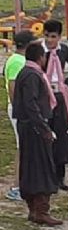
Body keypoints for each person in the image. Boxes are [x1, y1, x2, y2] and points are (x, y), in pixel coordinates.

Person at [13, 44, 61, 226]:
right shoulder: (32, 75)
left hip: (28, 126)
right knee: (42, 167)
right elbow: (30, 104)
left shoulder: (25, 73)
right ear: (41, 57)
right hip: (34, 127)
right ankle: (40, 209)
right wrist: (43, 127)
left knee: (31, 166)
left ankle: (34, 209)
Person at [42, 20, 68, 192]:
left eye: (53, 37)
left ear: (59, 37)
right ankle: (47, 176)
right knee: (47, 134)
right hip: (44, 94)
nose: (50, 40)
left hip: (59, 93)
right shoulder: (40, 51)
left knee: (62, 135)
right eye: (47, 36)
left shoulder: (63, 50)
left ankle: (60, 176)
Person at [4, 30, 36, 202]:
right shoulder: (17, 62)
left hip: (21, 109)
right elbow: (13, 86)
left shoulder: (20, 60)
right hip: (19, 110)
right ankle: (16, 186)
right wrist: (21, 108)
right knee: (22, 147)